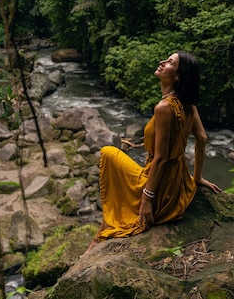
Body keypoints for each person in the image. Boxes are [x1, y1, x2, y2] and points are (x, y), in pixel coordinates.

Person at [86, 51, 221, 252]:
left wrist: (147, 199)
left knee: (108, 153)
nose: (162, 62)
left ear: (177, 76)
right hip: (178, 180)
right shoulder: (188, 103)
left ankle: (93, 247)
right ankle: (94, 245)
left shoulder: (164, 108)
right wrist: (197, 177)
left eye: (170, 62)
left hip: (161, 187)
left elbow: (161, 158)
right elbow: (202, 139)